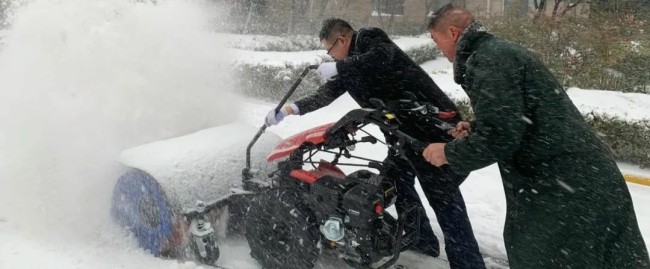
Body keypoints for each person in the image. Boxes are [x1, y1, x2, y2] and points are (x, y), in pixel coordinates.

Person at [422, 4, 650, 268]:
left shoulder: (488, 60)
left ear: (452, 32)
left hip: (564, 190)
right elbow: (515, 117)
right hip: (580, 182)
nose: (437, 47)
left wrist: (447, 153)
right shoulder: (495, 53)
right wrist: (476, 127)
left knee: (546, 257)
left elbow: (501, 137)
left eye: (435, 39)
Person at [265, 18, 486, 269]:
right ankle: (423, 240)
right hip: (402, 134)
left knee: (444, 197)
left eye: (329, 50)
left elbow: (381, 57)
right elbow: (326, 94)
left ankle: (469, 264)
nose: (331, 57)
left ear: (342, 40)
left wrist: (342, 66)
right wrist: (290, 109)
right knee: (397, 181)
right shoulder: (349, 67)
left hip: (429, 127)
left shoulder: (370, 38)